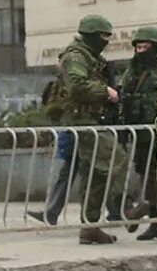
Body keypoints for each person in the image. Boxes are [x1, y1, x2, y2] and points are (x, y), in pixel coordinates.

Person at [35, 14, 123, 243]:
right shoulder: (76, 56)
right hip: (82, 121)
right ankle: (124, 209)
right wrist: (106, 92)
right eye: (103, 36)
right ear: (92, 36)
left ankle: (90, 226)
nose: (106, 40)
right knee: (114, 158)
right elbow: (77, 86)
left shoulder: (89, 56)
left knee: (92, 172)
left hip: (91, 120)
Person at [118, 25, 157, 241]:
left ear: (155, 47)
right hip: (141, 134)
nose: (141, 50)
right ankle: (156, 221)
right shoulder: (132, 71)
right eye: (138, 46)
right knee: (147, 176)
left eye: (145, 46)